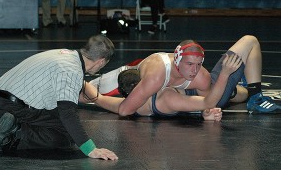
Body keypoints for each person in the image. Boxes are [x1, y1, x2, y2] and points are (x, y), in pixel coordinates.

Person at [0, 35, 118, 160]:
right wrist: (91, 149)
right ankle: (11, 136)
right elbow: (68, 114)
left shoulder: (65, 53)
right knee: (66, 136)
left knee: (57, 118)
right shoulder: (72, 71)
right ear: (101, 62)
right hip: (10, 107)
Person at [89, 35, 281, 114]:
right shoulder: (159, 87)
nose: (194, 69)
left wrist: (90, 93)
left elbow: (211, 101)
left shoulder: (199, 75)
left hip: (209, 90)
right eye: (190, 64)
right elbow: (210, 103)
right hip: (205, 93)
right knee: (231, 94)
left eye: (198, 64)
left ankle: (251, 94)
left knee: (250, 41)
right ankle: (246, 92)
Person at [80, 53, 243, 121]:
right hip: (214, 94)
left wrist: (77, 80)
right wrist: (225, 73)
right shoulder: (165, 97)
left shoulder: (133, 105)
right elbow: (208, 102)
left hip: (199, 96)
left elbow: (97, 98)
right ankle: (246, 92)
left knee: (237, 94)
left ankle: (237, 92)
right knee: (249, 41)